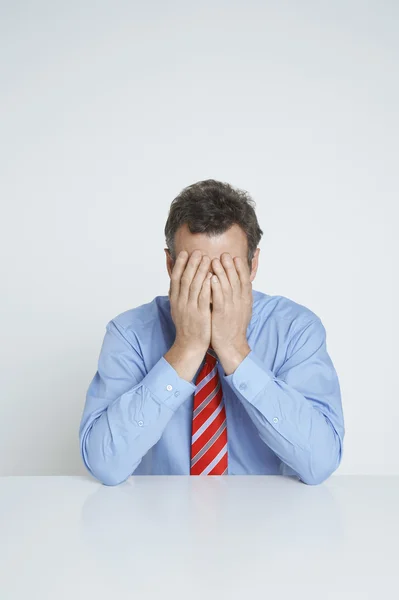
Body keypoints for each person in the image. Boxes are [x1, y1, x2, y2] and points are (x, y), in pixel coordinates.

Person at [79, 179, 345, 485]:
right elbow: (104, 464)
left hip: (268, 524)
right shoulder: (130, 333)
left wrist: (235, 351)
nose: (212, 284)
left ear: (253, 264)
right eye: (195, 269)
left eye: (227, 270)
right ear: (170, 264)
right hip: (156, 525)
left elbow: (320, 462)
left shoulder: (295, 330)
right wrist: (186, 350)